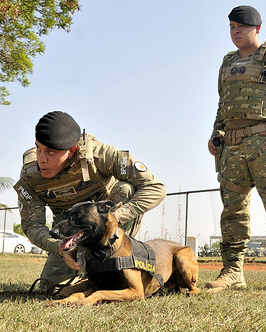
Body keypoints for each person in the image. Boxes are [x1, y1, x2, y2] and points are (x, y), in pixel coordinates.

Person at [206, 5, 266, 291]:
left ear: (257, 29)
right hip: (232, 147)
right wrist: (216, 134)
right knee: (233, 212)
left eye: (241, 27)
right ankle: (233, 271)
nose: (235, 32)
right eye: (232, 28)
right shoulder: (227, 64)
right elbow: (222, 105)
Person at [15, 111, 166, 294]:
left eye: (50, 152)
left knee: (126, 189)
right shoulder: (31, 174)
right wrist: (61, 248)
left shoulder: (100, 155)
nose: (42, 159)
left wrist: (115, 216)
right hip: (69, 233)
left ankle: (112, 265)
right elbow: (32, 225)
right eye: (38, 149)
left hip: (104, 229)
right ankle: (88, 272)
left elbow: (156, 188)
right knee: (50, 288)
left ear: (71, 152)